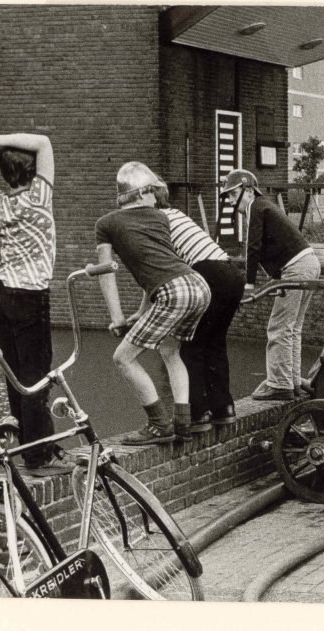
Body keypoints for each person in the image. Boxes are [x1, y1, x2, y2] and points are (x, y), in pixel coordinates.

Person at [96, 162, 211, 445]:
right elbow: (158, 269)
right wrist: (140, 313)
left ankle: (159, 424)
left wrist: (118, 317)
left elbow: (107, 273)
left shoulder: (106, 224)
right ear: (142, 193)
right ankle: (183, 423)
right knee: (170, 351)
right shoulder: (160, 218)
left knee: (122, 358)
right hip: (197, 285)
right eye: (153, 191)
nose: (156, 197)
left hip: (173, 291)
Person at [0, 133, 74, 475]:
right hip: (30, 295)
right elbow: (45, 141)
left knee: (16, 376)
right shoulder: (39, 196)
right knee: (36, 377)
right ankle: (40, 457)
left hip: (1, 294)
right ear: (34, 171)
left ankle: (30, 445)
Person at [125, 180, 245, 430]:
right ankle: (224, 409)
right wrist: (141, 311)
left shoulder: (155, 223)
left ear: (150, 200)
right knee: (215, 344)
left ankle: (197, 415)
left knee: (188, 346)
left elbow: (156, 273)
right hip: (230, 272)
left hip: (207, 275)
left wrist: (141, 312)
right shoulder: (177, 214)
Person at [222, 169, 320, 401]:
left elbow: (252, 247)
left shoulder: (255, 207)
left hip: (296, 268)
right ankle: (293, 381)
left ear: (247, 189)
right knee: (292, 327)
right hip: (309, 263)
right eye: (227, 196)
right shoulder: (264, 206)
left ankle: (279, 383)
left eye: (233, 194)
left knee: (278, 327)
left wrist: (249, 284)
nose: (230, 200)